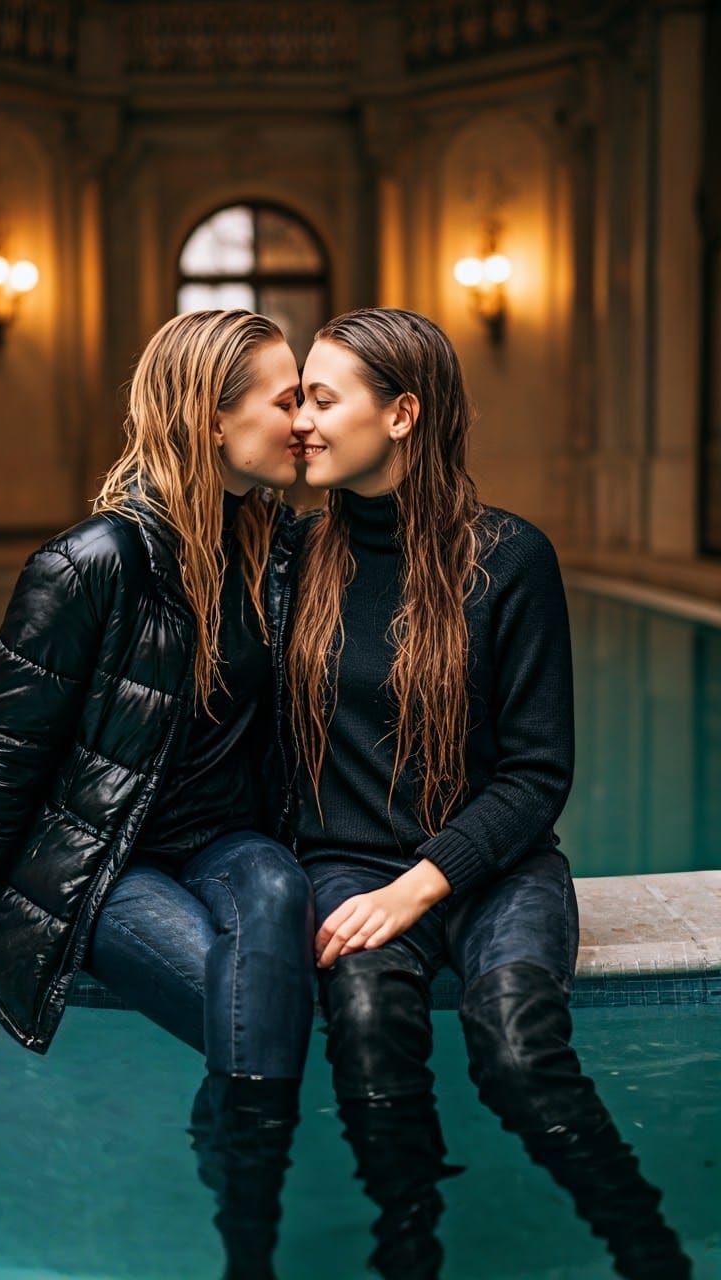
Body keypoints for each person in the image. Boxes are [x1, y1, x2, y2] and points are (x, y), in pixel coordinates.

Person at [0, 309, 316, 1280]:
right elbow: (5, 755)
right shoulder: (88, 562)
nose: (304, 418)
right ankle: (251, 1249)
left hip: (230, 844)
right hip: (105, 866)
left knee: (277, 902)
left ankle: (242, 1220)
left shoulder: (278, 551)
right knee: (258, 1006)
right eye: (286, 395)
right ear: (212, 419)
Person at [283, 307, 691, 1279]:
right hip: (345, 858)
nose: (299, 416)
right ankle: (408, 1250)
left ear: (400, 413)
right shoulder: (291, 556)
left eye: (321, 396)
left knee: (515, 1046)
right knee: (370, 1032)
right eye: (296, 394)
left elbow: (536, 773)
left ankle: (648, 1253)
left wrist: (421, 882)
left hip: (492, 862)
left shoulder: (509, 558)